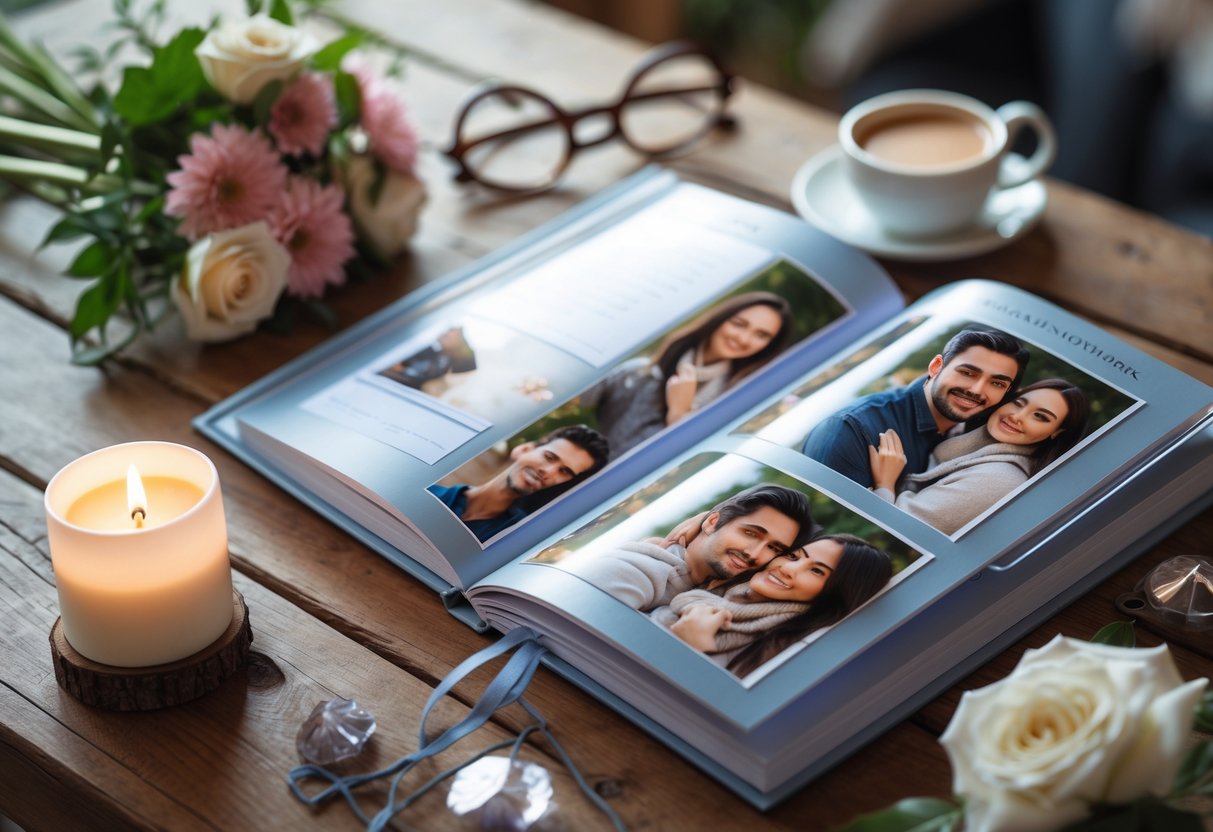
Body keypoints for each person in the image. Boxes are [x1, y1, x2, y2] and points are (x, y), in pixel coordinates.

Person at [801, 328, 1029, 488]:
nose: (978, 390)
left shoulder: (978, 435)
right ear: (936, 366)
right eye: (968, 373)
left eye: (997, 383)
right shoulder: (852, 430)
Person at [580, 292, 793, 458]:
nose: (744, 338)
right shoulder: (641, 370)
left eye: (761, 335)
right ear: (721, 319)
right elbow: (578, 399)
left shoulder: (735, 405)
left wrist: (679, 414)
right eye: (739, 324)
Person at [868, 378, 1090, 534]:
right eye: (1019, 403)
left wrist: (885, 483)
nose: (1017, 416)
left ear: (1057, 433)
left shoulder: (1000, 479)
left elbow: (901, 530)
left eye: (1040, 416)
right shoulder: (963, 437)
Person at [652, 534, 893, 678]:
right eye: (794, 556)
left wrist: (696, 647)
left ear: (834, 594)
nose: (787, 568)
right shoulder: (721, 584)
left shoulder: (787, 647)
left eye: (817, 571)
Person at [567, 483, 816, 612]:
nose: (754, 554)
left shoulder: (723, 590)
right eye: (750, 533)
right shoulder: (632, 570)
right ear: (711, 522)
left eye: (774, 548)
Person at [428, 425, 609, 543]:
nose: (548, 471)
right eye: (549, 457)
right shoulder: (429, 496)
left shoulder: (517, 541)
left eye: (564, 471)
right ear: (524, 449)